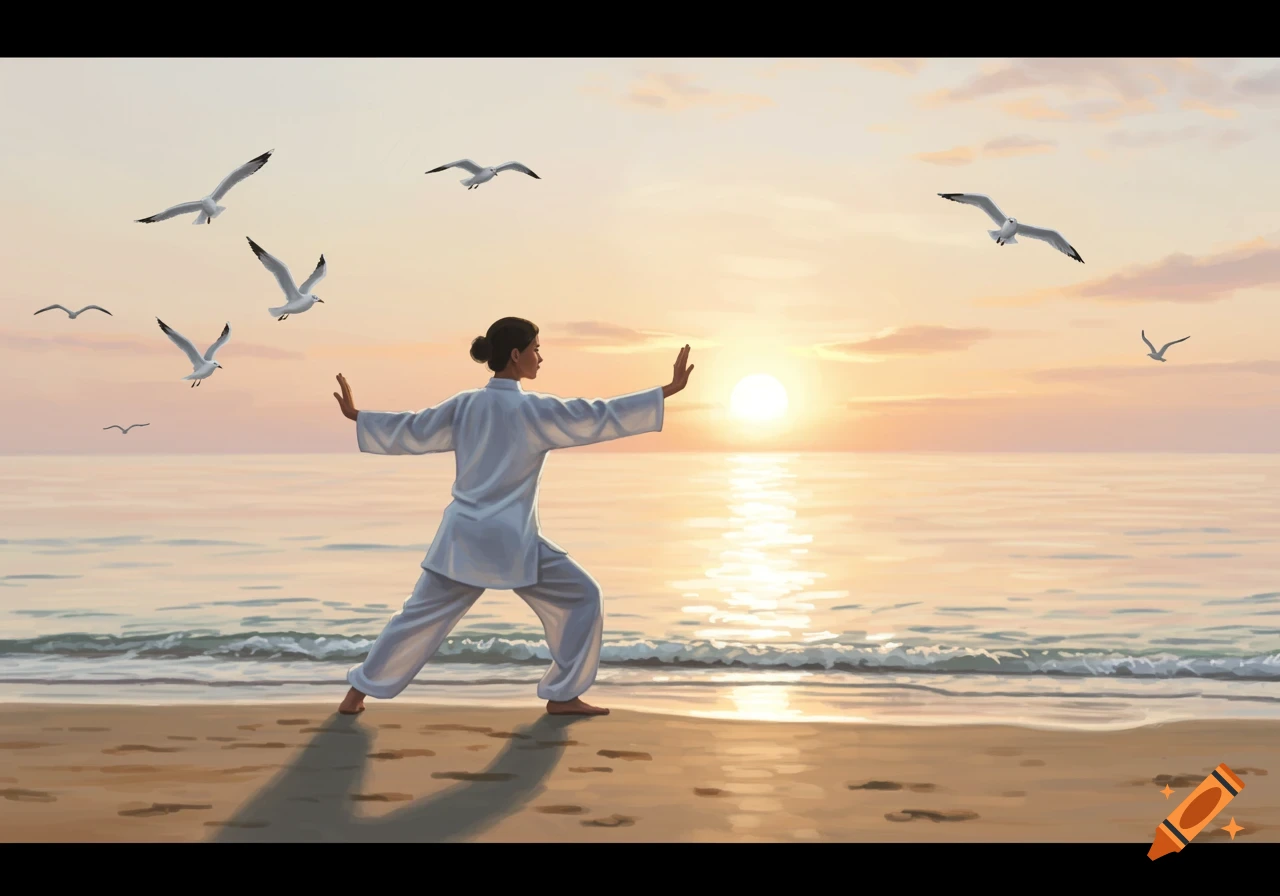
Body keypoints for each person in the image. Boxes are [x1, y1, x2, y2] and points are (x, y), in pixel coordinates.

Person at [332, 317, 695, 717]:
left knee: (417, 618)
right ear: (517, 355)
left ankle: (355, 696)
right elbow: (600, 416)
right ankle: (562, 695)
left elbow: (412, 428)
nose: (541, 358)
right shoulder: (535, 410)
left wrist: (358, 416)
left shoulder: (466, 404)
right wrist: (668, 391)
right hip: (512, 541)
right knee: (583, 596)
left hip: (464, 540)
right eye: (537, 349)